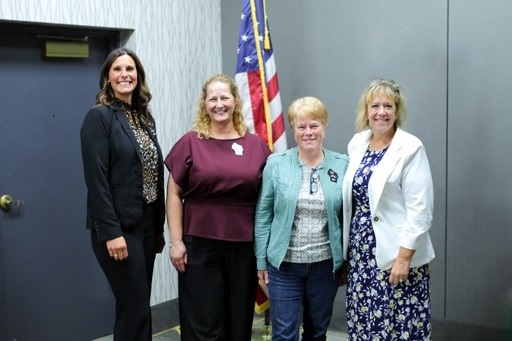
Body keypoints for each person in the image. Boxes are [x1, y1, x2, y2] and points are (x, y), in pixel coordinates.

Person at [164, 73, 271, 340]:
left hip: (244, 246)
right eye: (213, 99)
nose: (219, 104)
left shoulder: (255, 145)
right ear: (205, 104)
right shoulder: (190, 142)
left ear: (235, 101)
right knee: (203, 319)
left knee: (239, 319)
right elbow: (174, 195)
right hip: (199, 245)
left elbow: (268, 198)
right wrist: (176, 242)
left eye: (225, 97)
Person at [80, 47, 165, 340]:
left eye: (130, 69)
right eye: (117, 69)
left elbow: (152, 172)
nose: (124, 74)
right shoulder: (100, 117)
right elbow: (97, 180)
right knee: (135, 307)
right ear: (107, 77)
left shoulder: (144, 118)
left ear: (138, 76)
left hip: (145, 226)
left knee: (135, 307)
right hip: (118, 229)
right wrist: (111, 232)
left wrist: (157, 229)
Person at [342, 79, 435, 340]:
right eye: (375, 105)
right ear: (366, 111)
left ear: (397, 110)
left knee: (397, 324)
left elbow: (421, 210)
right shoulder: (357, 143)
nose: (381, 112)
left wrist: (404, 259)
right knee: (364, 319)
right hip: (361, 254)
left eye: (388, 105)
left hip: (397, 253)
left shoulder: (410, 147)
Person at [255, 96, 349, 340]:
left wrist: (346, 261)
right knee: (285, 334)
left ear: (324, 129)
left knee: (317, 332)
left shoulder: (342, 165)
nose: (308, 132)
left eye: (314, 125)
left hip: (325, 266)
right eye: (301, 126)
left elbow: (349, 217)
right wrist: (261, 260)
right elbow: (264, 214)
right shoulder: (276, 164)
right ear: (293, 131)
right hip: (283, 266)